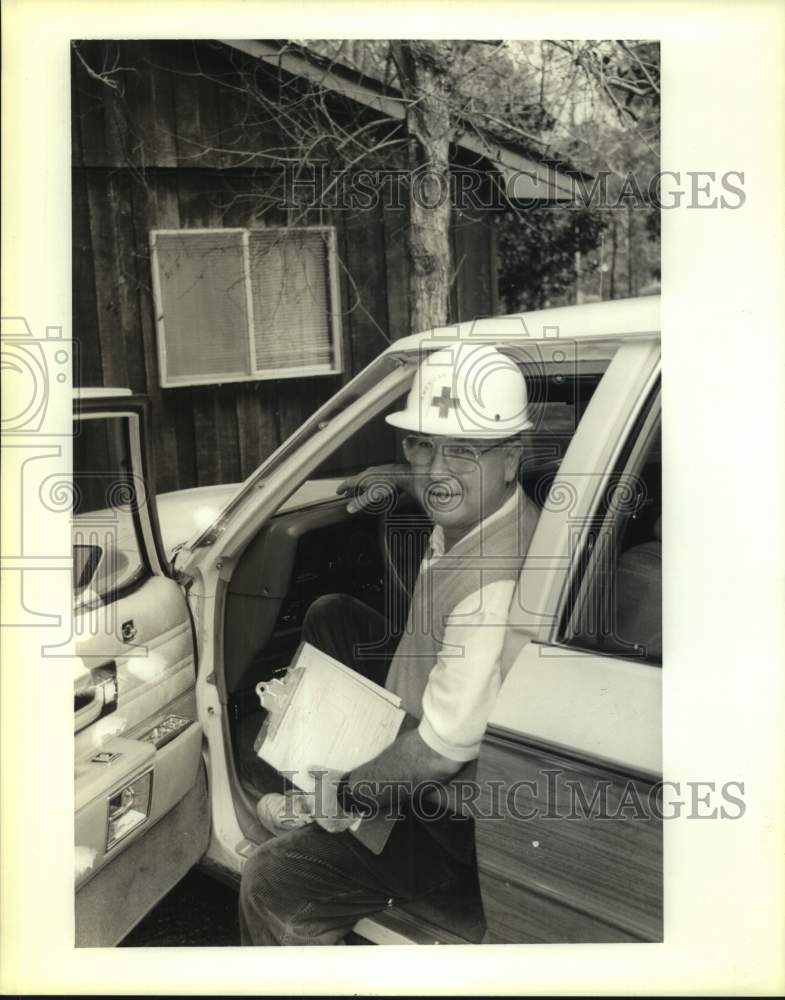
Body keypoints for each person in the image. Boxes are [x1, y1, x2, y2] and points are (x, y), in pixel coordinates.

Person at [239, 343, 540, 946]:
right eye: (420, 446)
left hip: (447, 817)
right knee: (334, 615)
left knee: (271, 884)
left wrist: (345, 791)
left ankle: (312, 810)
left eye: (462, 450)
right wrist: (402, 480)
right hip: (429, 707)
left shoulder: (492, 593)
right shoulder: (487, 511)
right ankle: (310, 784)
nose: (435, 471)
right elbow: (441, 477)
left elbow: (436, 756)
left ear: (511, 458)